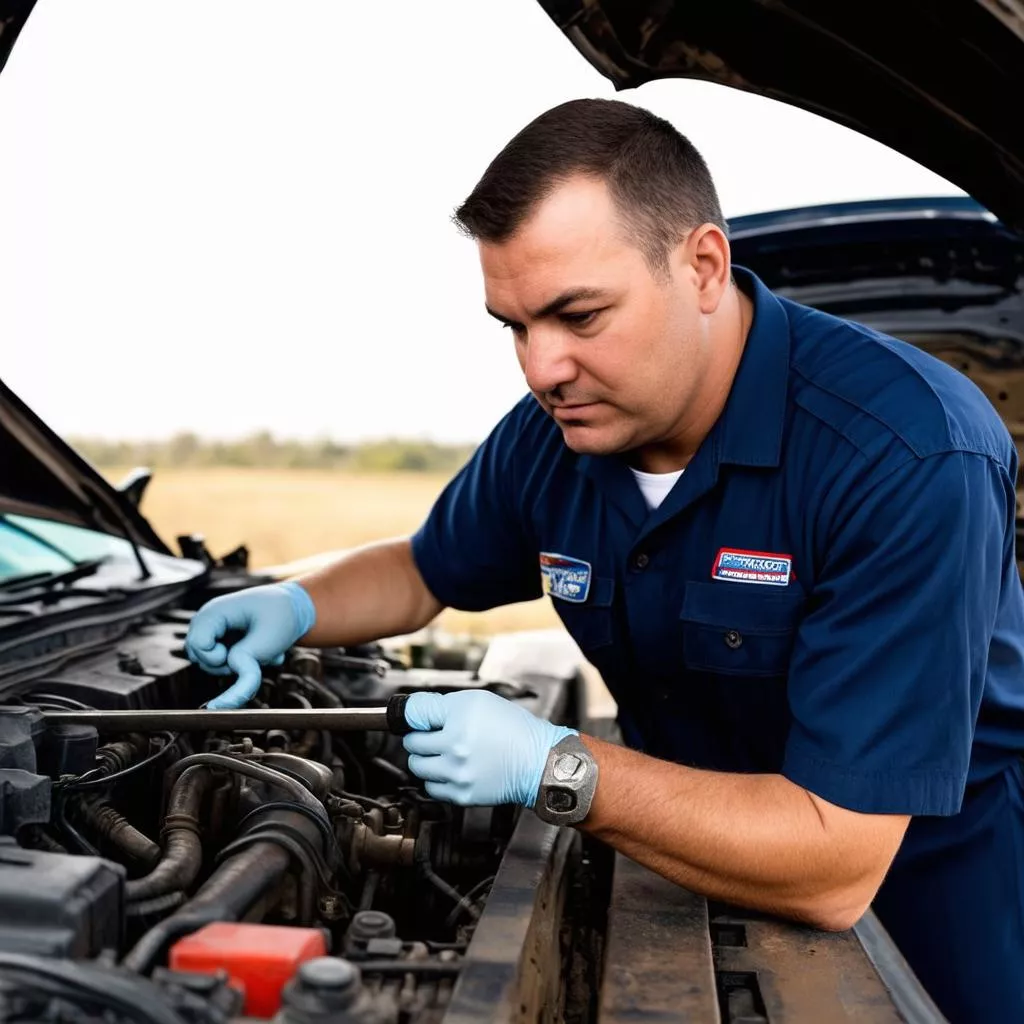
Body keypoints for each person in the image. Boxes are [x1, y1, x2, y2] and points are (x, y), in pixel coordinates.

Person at [185, 99, 1024, 1021]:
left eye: (578, 315)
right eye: (512, 325)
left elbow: (834, 865)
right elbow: (426, 571)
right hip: (679, 864)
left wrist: (560, 765)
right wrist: (294, 605)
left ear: (703, 265)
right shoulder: (556, 437)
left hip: (926, 904)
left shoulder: (909, 453)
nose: (542, 367)